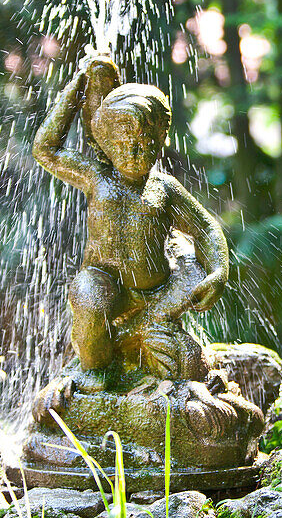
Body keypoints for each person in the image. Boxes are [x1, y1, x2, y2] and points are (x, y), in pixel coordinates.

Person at [31, 54, 229, 399]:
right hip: (108, 289)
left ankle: (176, 361)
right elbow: (45, 149)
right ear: (106, 141)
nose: (136, 152)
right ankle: (94, 376)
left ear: (162, 139)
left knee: (185, 364)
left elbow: (206, 229)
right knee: (88, 293)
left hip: (160, 297)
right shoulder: (96, 176)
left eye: (146, 142)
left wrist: (219, 272)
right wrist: (78, 86)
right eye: (125, 143)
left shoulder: (163, 190)